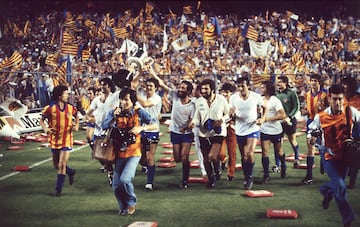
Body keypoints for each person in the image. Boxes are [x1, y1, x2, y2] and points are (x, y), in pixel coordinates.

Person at [307, 84, 359, 227]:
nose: (337, 103)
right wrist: (311, 138)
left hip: (346, 157)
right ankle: (347, 220)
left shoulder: (351, 112)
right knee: (341, 186)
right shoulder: (321, 116)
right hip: (329, 157)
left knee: (338, 186)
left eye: (340, 99)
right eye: (334, 99)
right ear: (329, 98)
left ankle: (326, 191)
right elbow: (310, 132)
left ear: (344, 99)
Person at [102, 87, 158, 215]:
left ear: (132, 101)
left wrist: (141, 128)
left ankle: (131, 202)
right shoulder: (114, 112)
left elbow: (154, 124)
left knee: (125, 180)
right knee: (116, 185)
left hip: (134, 152)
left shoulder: (139, 112)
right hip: (118, 153)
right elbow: (104, 126)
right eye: (121, 99)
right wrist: (113, 117)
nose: (123, 102)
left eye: (126, 99)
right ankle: (123, 207)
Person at [150, 70, 195, 189]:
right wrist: (152, 72)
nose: (180, 89)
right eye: (180, 87)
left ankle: (185, 180)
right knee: (177, 158)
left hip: (186, 133)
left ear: (189, 91)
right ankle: (184, 175)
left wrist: (187, 127)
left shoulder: (192, 104)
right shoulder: (175, 95)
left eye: (183, 88)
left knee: (184, 157)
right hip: (175, 131)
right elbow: (161, 84)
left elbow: (192, 120)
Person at [189, 79, 229, 188]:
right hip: (203, 132)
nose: (203, 91)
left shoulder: (221, 99)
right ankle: (211, 179)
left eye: (206, 88)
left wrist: (222, 120)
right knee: (206, 158)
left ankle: (217, 168)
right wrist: (193, 123)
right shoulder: (199, 101)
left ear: (212, 89)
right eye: (202, 88)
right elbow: (197, 117)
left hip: (218, 133)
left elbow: (229, 114)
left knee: (212, 156)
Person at [39, 85, 79, 196]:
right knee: (56, 165)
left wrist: (76, 126)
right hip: (54, 140)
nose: (68, 95)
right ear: (60, 95)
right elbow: (41, 120)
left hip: (67, 139)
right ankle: (70, 172)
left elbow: (77, 116)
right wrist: (46, 129)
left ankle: (58, 190)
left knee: (61, 164)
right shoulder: (50, 108)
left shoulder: (70, 108)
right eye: (66, 93)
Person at [229, 76, 263, 190]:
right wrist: (232, 115)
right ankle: (246, 176)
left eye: (242, 86)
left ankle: (249, 177)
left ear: (248, 85)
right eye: (238, 86)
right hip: (240, 129)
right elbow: (231, 113)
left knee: (249, 153)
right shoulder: (233, 98)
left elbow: (264, 107)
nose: (240, 88)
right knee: (243, 156)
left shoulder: (256, 97)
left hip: (253, 128)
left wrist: (262, 118)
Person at [86, 77, 117, 186]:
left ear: (109, 85)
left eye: (104, 84)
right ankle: (110, 172)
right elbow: (88, 113)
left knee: (112, 155)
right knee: (100, 155)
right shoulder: (97, 99)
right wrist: (91, 119)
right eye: (101, 84)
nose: (102, 86)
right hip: (98, 131)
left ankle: (114, 174)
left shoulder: (114, 97)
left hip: (111, 130)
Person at [136, 78, 162, 191]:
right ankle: (146, 166)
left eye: (151, 86)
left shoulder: (156, 98)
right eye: (147, 85)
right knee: (141, 158)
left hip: (152, 130)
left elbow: (145, 104)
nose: (148, 87)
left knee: (150, 156)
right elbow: (133, 84)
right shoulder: (142, 94)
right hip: (140, 129)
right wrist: (141, 70)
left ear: (156, 88)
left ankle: (149, 182)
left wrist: (134, 95)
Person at [303, 73, 329, 184]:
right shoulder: (307, 94)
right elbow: (306, 108)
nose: (312, 82)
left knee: (323, 146)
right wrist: (304, 111)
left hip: (322, 123)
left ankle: (323, 163)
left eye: (315, 80)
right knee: (310, 147)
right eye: (311, 80)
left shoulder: (325, 95)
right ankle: (309, 176)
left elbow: (329, 108)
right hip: (310, 122)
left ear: (319, 82)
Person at [259, 80, 287, 183]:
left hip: (276, 130)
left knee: (279, 151)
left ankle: (283, 165)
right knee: (265, 152)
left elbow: (283, 115)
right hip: (264, 129)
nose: (261, 89)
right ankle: (266, 175)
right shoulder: (260, 99)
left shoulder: (275, 100)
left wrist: (268, 119)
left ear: (268, 89)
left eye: (263, 87)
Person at [276, 76, 301, 170]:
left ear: (285, 83)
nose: (278, 84)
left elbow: (296, 106)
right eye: (277, 82)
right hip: (279, 122)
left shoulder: (291, 93)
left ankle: (296, 158)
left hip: (290, 121)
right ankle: (278, 164)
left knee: (292, 140)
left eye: (280, 82)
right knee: (278, 143)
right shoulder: (276, 94)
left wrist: (289, 117)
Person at [342, 76, 360, 189]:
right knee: (344, 155)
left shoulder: (358, 98)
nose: (344, 86)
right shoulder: (342, 98)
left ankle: (352, 182)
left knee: (355, 156)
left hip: (357, 130)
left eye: (346, 84)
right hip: (344, 130)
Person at [219, 82, 237, 181]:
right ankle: (222, 161)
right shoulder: (219, 102)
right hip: (221, 129)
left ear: (231, 93)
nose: (225, 94)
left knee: (232, 153)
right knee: (220, 153)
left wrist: (233, 115)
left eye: (227, 92)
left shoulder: (235, 103)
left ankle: (231, 173)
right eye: (223, 92)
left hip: (232, 129)